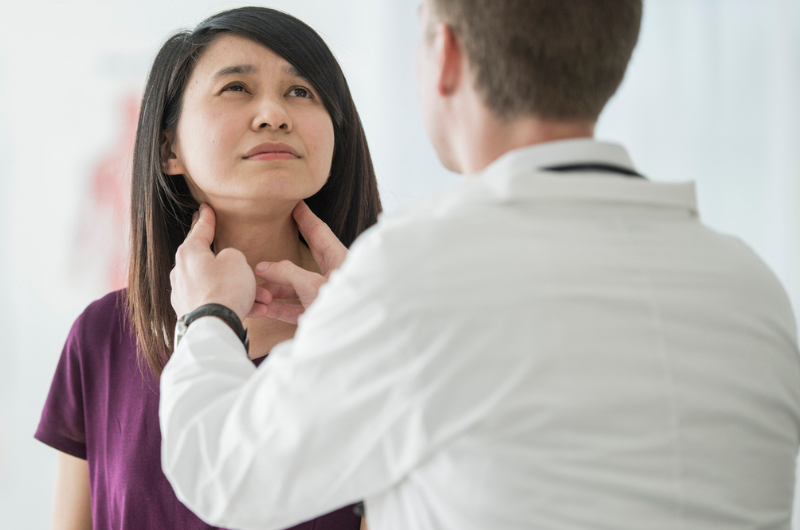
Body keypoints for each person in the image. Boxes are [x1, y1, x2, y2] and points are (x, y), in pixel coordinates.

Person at [162, 1, 800, 529]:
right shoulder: (752, 288)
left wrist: (208, 315)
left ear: (445, 56)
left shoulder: (417, 272)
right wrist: (354, 321)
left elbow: (224, 474)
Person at [34, 6, 380, 530]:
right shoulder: (102, 337)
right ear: (169, 146)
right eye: (236, 88)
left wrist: (367, 340)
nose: (274, 115)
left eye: (301, 91)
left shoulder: (387, 329)